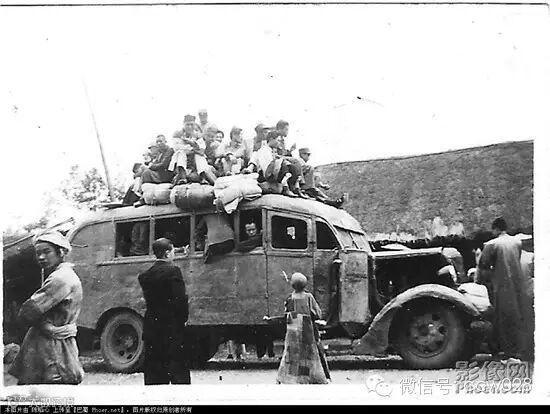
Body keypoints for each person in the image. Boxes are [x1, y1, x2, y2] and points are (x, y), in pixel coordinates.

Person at [8, 231, 84, 384]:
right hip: (57, 341)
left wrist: (38, 323)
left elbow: (28, 311)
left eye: (47, 251)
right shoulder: (65, 274)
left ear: (60, 252)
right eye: (38, 253)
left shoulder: (60, 278)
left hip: (51, 345)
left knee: (51, 383)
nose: (41, 257)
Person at [477, 217, 532, 362]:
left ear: (495, 229)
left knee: (502, 319)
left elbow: (483, 265)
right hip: (517, 284)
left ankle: (507, 351)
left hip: (501, 286)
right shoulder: (517, 242)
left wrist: (486, 280)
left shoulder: (492, 244)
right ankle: (519, 350)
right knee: (517, 316)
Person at [138, 238, 190, 384]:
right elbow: (181, 300)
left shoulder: (145, 276)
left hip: (152, 327)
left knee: (155, 372)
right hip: (172, 327)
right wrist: (183, 320)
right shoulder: (174, 271)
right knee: (177, 370)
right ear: (167, 253)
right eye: (172, 251)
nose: (174, 254)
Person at [266, 273, 330, 384]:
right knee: (312, 355)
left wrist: (271, 319)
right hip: (308, 332)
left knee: (290, 355)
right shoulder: (308, 297)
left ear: (293, 285)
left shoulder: (290, 298)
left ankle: (287, 378)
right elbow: (317, 314)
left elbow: (286, 315)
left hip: (292, 334)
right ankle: (315, 378)